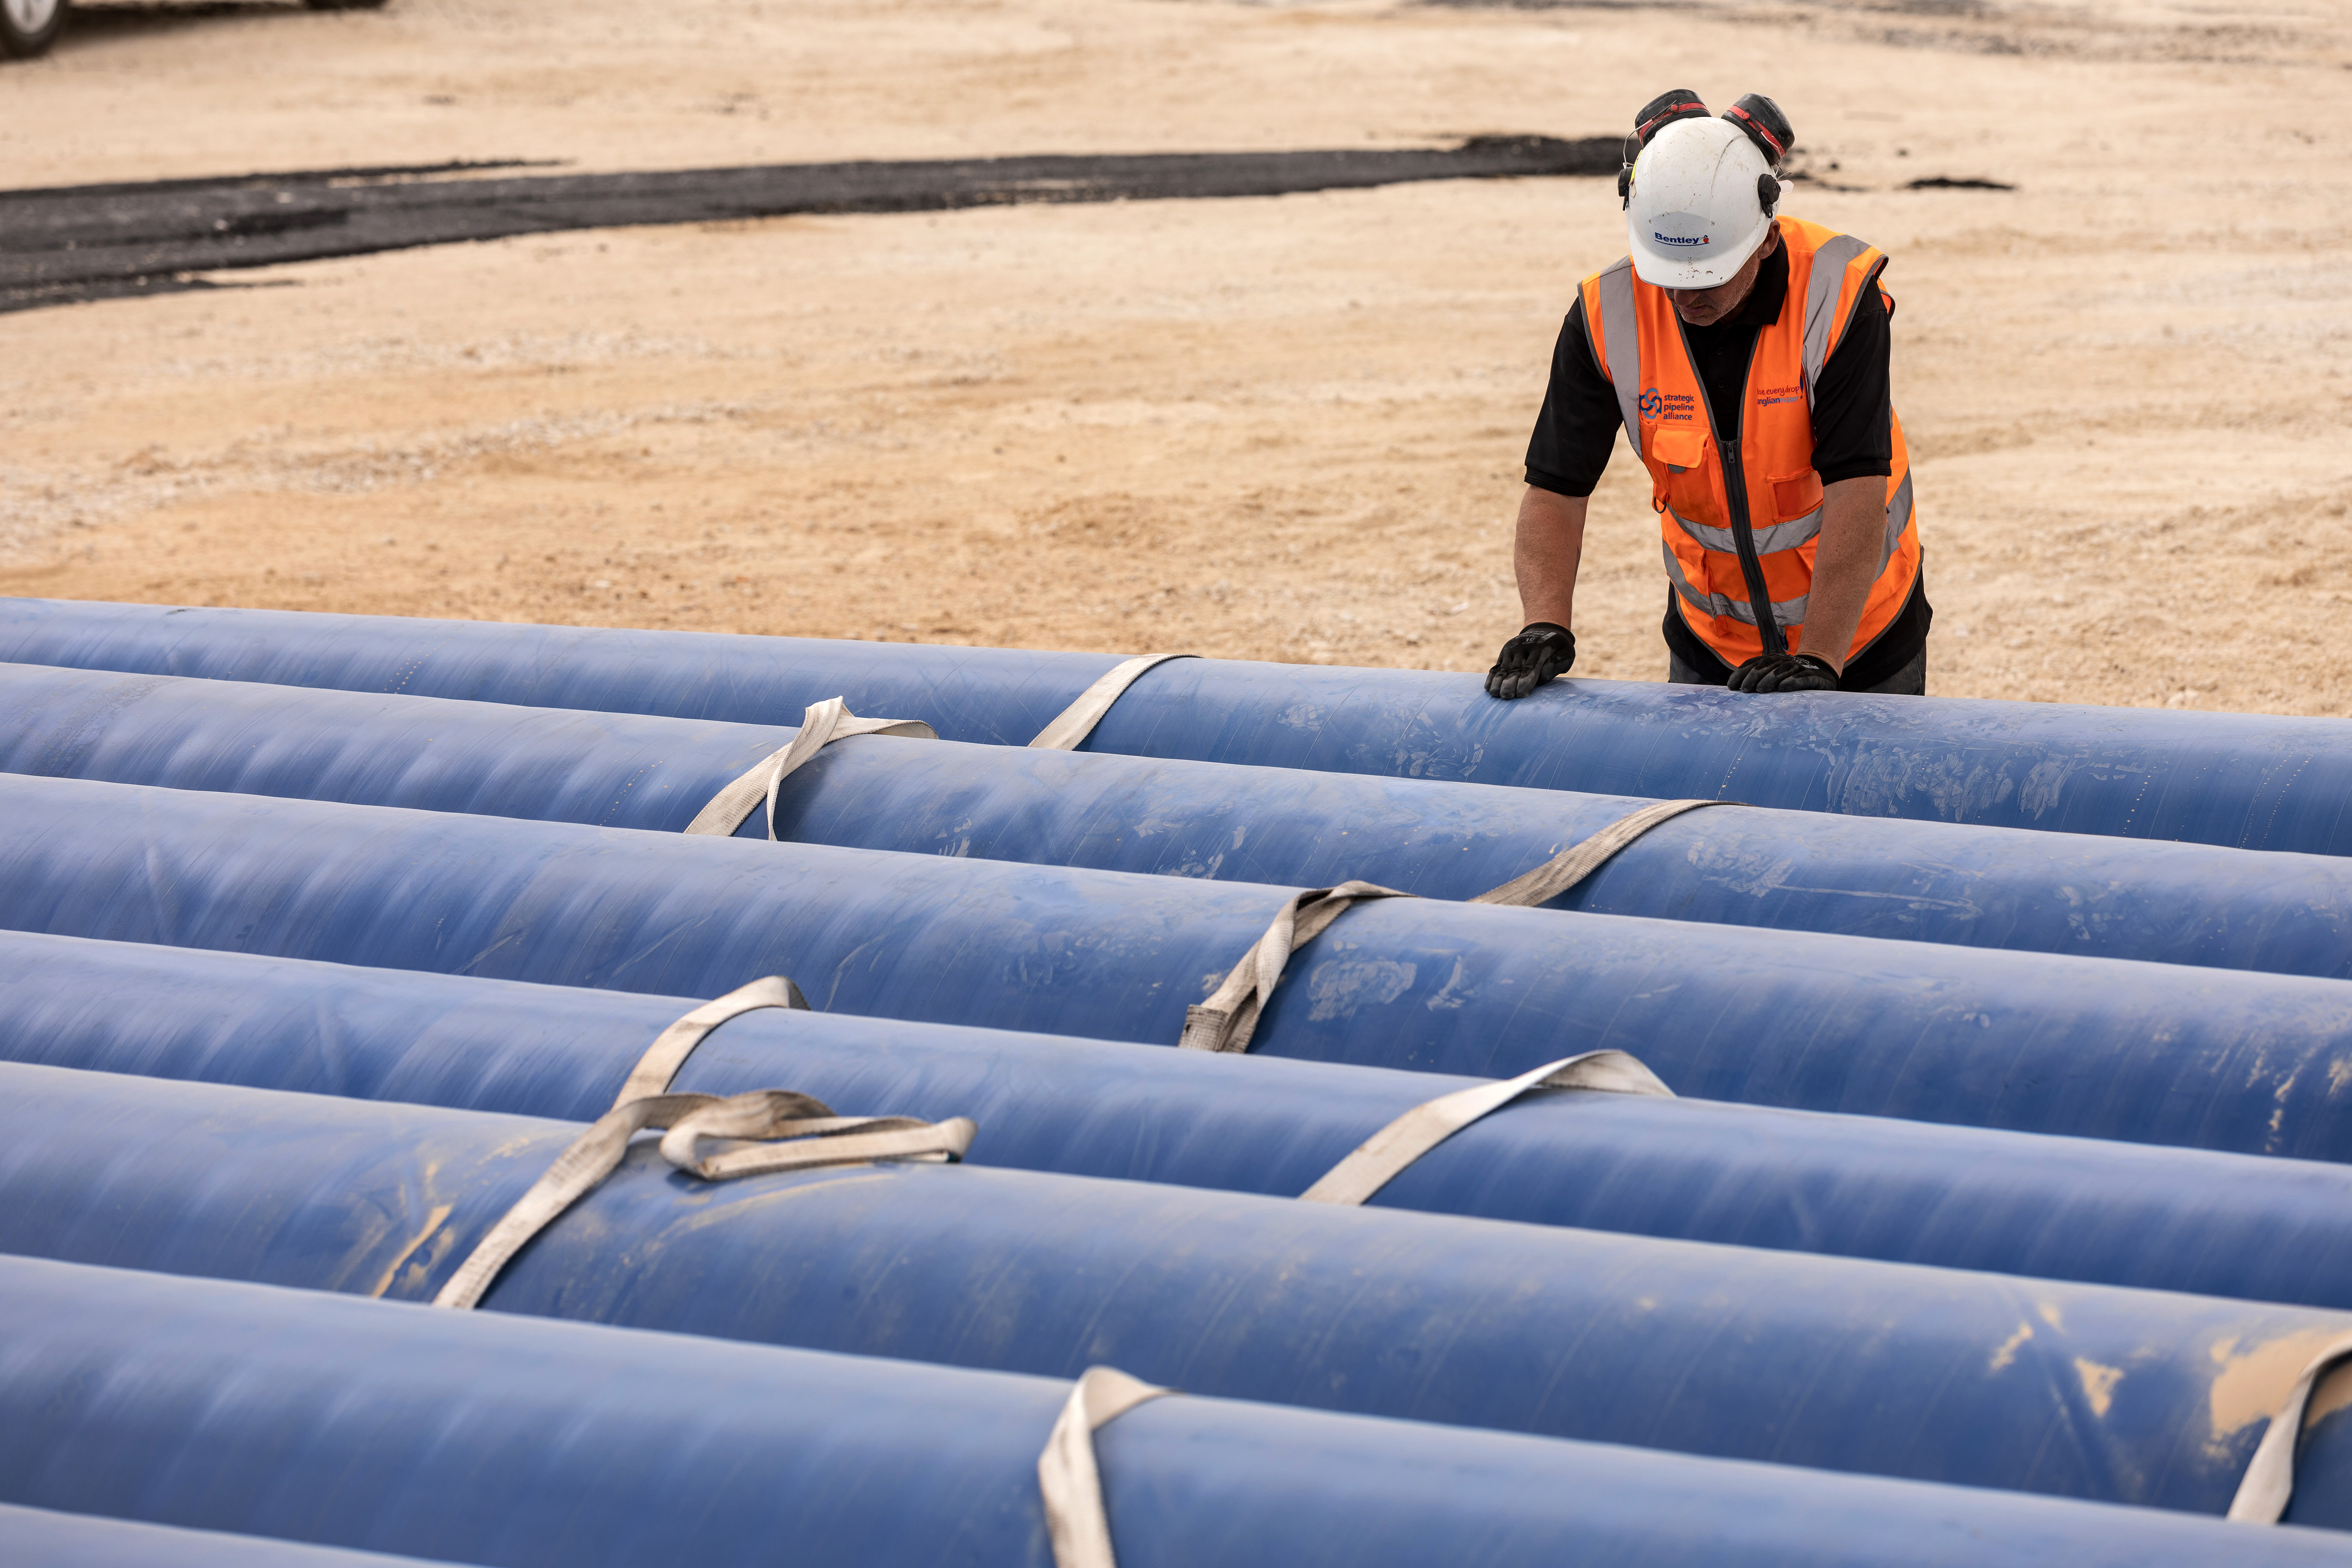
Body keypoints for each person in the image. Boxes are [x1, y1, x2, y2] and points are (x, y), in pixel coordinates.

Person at [1486, 90, 1928, 700]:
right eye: (1666, 277)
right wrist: (1544, 621)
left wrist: (1821, 661)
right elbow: (1558, 486)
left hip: (1861, 639)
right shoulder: (1605, 313)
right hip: (1712, 639)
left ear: (1766, 241)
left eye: (1709, 278)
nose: (1686, 299)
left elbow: (1857, 488)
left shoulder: (1837, 297)